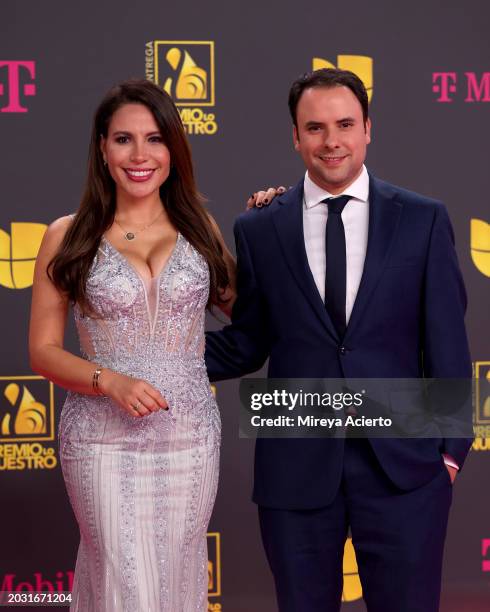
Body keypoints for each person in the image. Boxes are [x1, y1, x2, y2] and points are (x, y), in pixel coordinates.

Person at [205, 68, 472, 612]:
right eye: (316, 127)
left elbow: (447, 344)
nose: (332, 141)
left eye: (345, 124)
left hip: (404, 471)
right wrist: (148, 358)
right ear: (295, 137)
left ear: (368, 128)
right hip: (295, 467)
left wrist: (449, 455)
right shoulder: (258, 227)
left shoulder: (422, 219)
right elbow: (249, 342)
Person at [29, 79, 236, 611]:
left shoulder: (202, 231)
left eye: (155, 139)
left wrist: (274, 218)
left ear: (174, 149)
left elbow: (257, 314)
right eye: (124, 139)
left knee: (178, 575)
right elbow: (44, 351)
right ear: (102, 146)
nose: (140, 155)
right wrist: (109, 381)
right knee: (124, 580)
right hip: (102, 441)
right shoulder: (67, 234)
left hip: (190, 439)